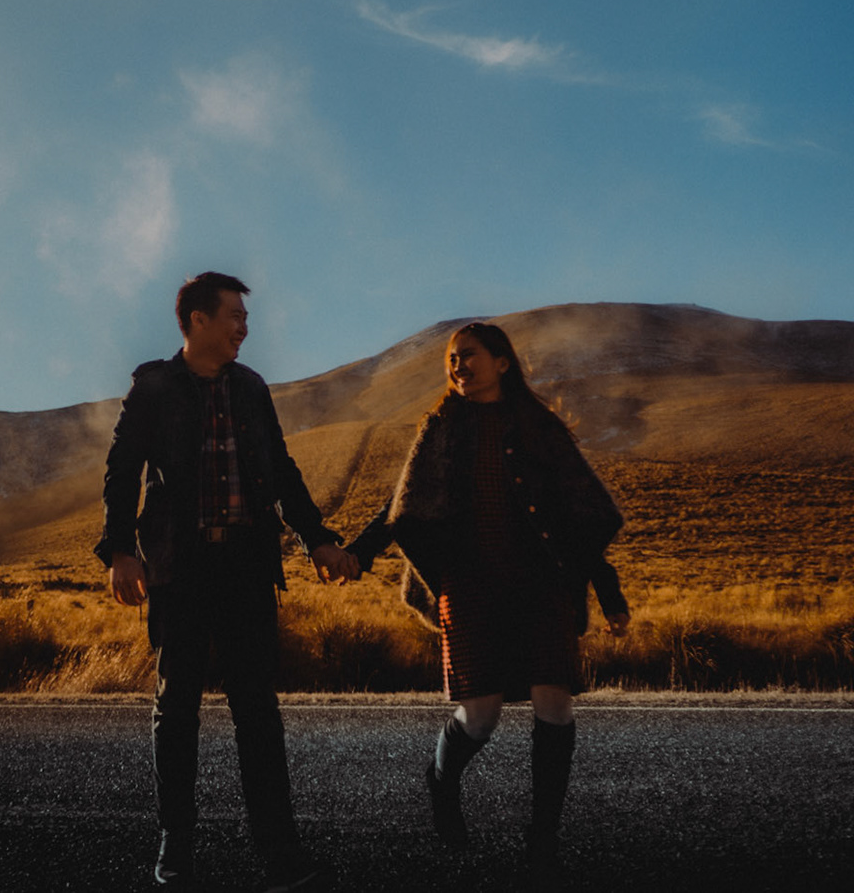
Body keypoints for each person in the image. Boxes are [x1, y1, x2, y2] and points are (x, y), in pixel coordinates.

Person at [95, 271, 359, 891]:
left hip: (245, 568)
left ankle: (278, 849)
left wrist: (315, 537)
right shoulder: (154, 387)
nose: (245, 325)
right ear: (197, 322)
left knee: (258, 711)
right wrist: (119, 551)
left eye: (244, 316)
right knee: (176, 706)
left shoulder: (251, 388)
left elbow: (283, 469)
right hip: (179, 570)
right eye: (234, 315)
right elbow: (121, 471)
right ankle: (177, 842)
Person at [346, 321, 629, 889]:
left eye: (468, 355)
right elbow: (402, 504)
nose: (457, 366)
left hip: (541, 582)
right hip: (470, 584)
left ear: (502, 362)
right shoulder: (440, 426)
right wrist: (358, 551)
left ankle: (542, 839)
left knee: (556, 703)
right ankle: (441, 781)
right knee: (483, 714)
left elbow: (575, 512)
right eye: (451, 359)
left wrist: (607, 587)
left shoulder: (538, 426)